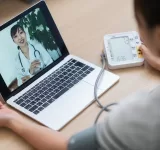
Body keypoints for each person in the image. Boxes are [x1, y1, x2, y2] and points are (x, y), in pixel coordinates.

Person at [1, 0, 160, 149]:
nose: (20, 37)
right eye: (15, 36)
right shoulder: (17, 60)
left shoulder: (141, 117)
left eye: (138, 21)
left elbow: (69, 146)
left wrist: (12, 120)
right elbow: (21, 78)